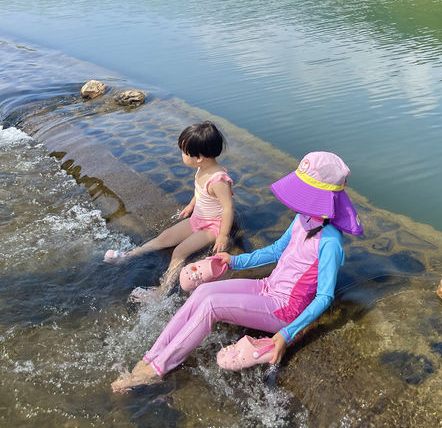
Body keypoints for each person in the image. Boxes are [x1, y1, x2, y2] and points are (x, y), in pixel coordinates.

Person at [111, 151, 362, 391]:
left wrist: (286, 334)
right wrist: (233, 261)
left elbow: (325, 297)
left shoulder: (330, 242)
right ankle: (153, 355)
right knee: (203, 292)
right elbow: (275, 251)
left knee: (212, 306)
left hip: (286, 308)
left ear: (321, 197)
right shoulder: (303, 219)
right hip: (267, 286)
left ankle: (157, 370)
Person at [104, 121, 234, 297]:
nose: (181, 155)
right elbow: (200, 193)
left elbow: (227, 208)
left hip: (212, 227)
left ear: (199, 157)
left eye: (184, 152)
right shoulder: (202, 169)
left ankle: (162, 291)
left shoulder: (218, 180)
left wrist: (223, 236)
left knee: (179, 251)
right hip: (198, 219)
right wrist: (191, 205)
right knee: (164, 238)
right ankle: (129, 255)